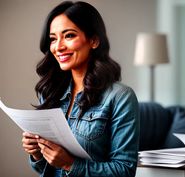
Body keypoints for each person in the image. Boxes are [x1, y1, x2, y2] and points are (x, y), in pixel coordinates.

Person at [21, 1, 140, 177]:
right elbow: (46, 171)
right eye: (53, 39)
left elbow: (124, 171)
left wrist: (70, 164)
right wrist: (37, 154)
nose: (58, 47)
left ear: (93, 40)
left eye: (68, 36)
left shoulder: (120, 96)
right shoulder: (49, 92)